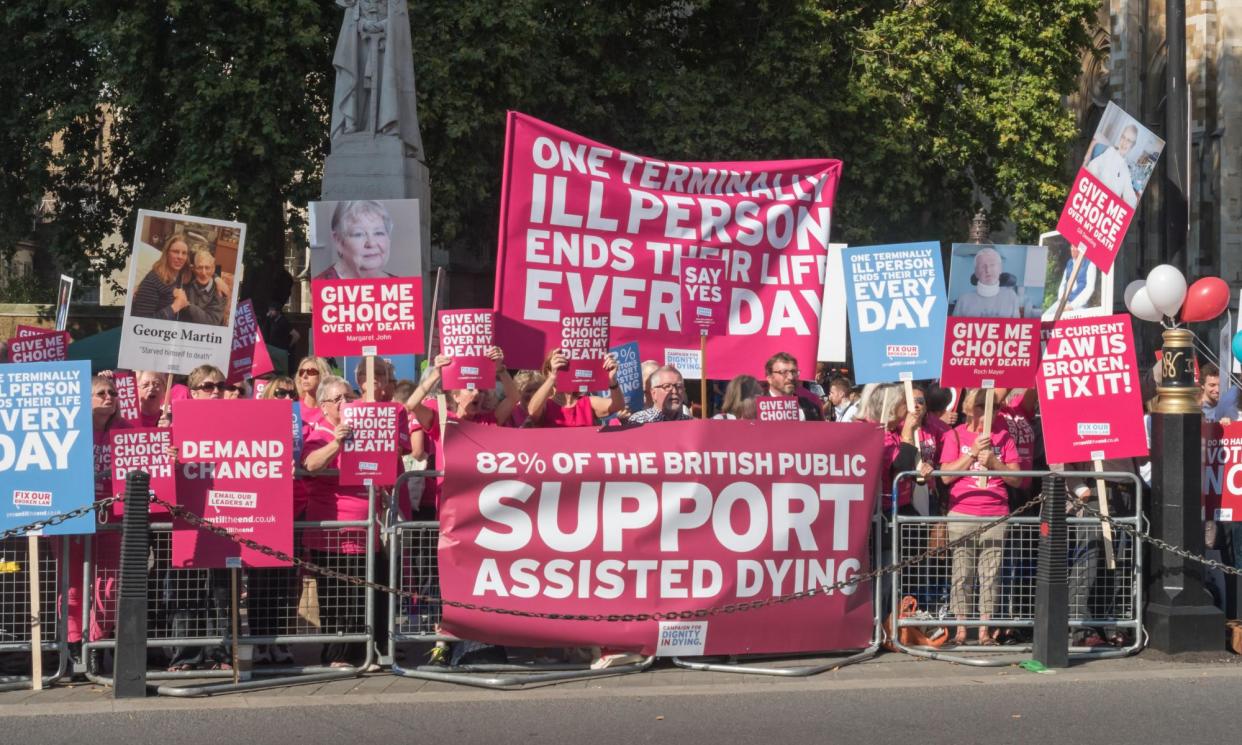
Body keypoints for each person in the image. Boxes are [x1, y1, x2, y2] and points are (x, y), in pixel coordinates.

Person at [936, 388, 1021, 646]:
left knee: (990, 576)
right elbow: (946, 475)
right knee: (962, 574)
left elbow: (1018, 480)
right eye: (984, 407)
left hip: (995, 513)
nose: (990, 413)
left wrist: (995, 463)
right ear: (971, 409)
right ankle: (962, 629)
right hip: (963, 511)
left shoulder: (1004, 437)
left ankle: (984, 630)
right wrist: (971, 454)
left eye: (993, 407)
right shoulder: (954, 434)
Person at [163, 365, 233, 671]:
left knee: (223, 592)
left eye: (220, 385)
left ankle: (222, 655)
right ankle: (186, 656)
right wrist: (170, 459)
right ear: (192, 392)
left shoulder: (240, 423)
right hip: (186, 521)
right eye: (207, 386)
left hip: (227, 518)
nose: (216, 390)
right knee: (186, 590)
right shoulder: (173, 427)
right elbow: (158, 477)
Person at [300, 375, 372, 667]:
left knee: (360, 595)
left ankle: (359, 652)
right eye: (339, 399)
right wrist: (337, 443)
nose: (346, 403)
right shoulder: (319, 432)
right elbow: (310, 465)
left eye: (349, 396)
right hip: (331, 529)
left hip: (364, 526)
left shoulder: (363, 429)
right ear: (324, 406)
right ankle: (335, 655)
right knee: (336, 595)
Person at [525, 349, 624, 427]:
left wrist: (612, 381)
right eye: (560, 368)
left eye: (570, 368)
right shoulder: (546, 405)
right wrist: (552, 377)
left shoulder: (587, 402)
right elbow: (532, 411)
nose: (566, 373)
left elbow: (617, 405)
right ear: (548, 372)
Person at [314, 201, 398, 280]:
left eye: (379, 233)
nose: (371, 243)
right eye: (359, 234)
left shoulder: (400, 287)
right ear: (338, 240)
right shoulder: (320, 287)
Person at [130, 234, 192, 321]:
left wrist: (217, 279)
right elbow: (141, 322)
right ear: (166, 253)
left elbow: (203, 270)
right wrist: (175, 306)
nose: (180, 257)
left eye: (184, 253)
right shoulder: (152, 281)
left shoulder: (181, 273)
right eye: (175, 251)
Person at [953, 247, 1020, 318]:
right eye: (982, 266)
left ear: (1000, 269)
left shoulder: (1011, 297)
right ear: (976, 272)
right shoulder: (963, 300)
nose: (987, 270)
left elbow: (1018, 326)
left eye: (992, 265)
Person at [1085, 123, 1140, 207]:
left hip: (1109, 207)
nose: (1124, 142)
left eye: (1129, 141)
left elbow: (1130, 198)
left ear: (1133, 145)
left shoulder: (1126, 171)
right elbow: (1093, 166)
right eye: (1123, 137)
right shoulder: (1110, 152)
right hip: (1095, 196)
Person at [1041, 245, 1099, 320]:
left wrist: (1072, 306)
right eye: (1071, 246)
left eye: (1075, 247)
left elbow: (1090, 288)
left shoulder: (1090, 263)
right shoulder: (1069, 263)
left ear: (1082, 248)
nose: (1072, 249)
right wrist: (1062, 300)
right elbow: (1063, 284)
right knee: (1044, 318)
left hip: (1079, 306)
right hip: (1063, 303)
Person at [762, 352, 824, 421]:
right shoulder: (755, 409)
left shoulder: (811, 408)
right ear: (770, 378)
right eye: (783, 372)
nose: (790, 377)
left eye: (794, 372)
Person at [181, 248, 230, 326]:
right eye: (199, 268)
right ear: (193, 269)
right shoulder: (188, 279)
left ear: (213, 269)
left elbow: (212, 322)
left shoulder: (220, 290)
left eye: (207, 268)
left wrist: (186, 305)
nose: (203, 273)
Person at [627, 366, 692, 424]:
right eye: (667, 386)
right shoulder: (639, 421)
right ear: (653, 393)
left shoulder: (691, 423)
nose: (674, 391)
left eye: (679, 386)